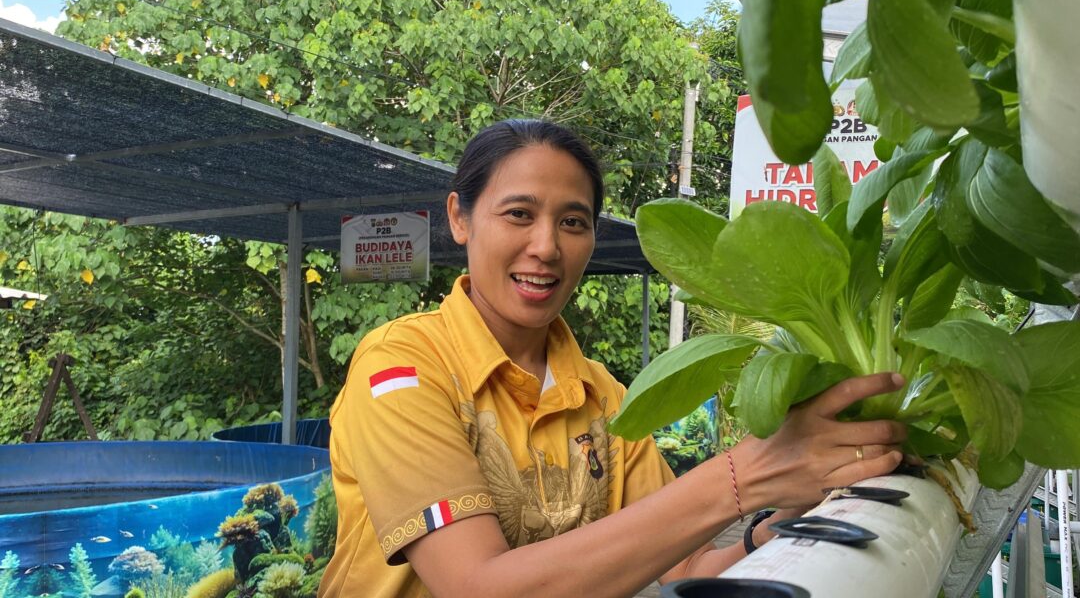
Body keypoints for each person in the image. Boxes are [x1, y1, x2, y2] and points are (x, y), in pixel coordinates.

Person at [317, 119, 907, 598]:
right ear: (459, 218)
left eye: (573, 222)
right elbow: (477, 587)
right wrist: (744, 476)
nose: (546, 247)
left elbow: (691, 569)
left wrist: (791, 504)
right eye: (519, 213)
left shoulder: (602, 395)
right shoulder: (400, 367)